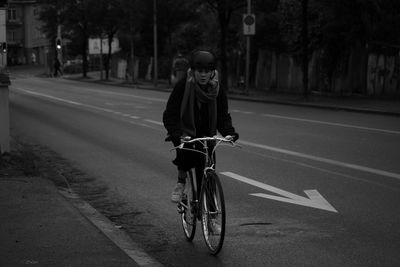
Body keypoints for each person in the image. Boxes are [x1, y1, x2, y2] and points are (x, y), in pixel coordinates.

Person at [163, 50, 239, 205]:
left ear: (212, 72)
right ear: (193, 71)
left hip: (207, 135)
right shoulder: (183, 86)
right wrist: (177, 134)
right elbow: (170, 115)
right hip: (186, 133)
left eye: (207, 71)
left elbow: (222, 116)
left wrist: (229, 133)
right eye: (200, 71)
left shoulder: (217, 89)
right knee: (185, 153)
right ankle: (181, 182)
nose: (203, 75)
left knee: (208, 175)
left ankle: (211, 216)